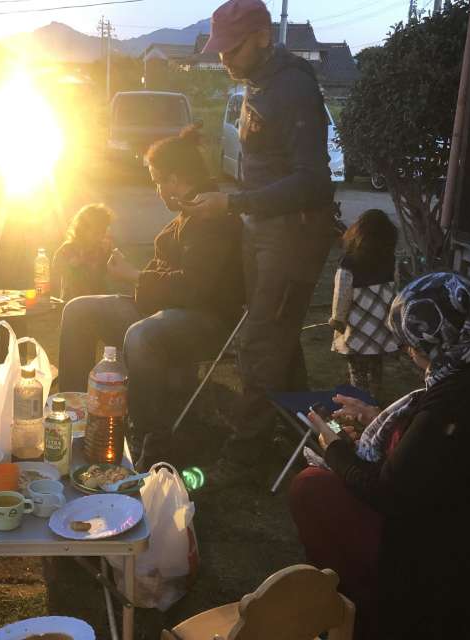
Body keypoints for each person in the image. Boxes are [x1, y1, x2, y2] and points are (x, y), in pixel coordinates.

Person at [288, 272, 470, 639]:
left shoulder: (459, 396)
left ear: (437, 338)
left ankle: (356, 613)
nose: (411, 353)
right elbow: (459, 451)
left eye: (413, 344)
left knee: (312, 487)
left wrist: (334, 448)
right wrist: (380, 420)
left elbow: (388, 492)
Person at [184, 0, 337, 484]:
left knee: (260, 343)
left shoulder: (293, 87)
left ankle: (245, 455)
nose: (224, 58)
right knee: (277, 336)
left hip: (292, 236)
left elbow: (314, 181)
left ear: (264, 37)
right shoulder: (258, 83)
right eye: (220, 49)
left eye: (232, 47)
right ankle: (305, 433)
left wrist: (234, 204)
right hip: (263, 230)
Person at [58, 125, 244, 469]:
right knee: (79, 309)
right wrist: (133, 279)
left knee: (141, 334)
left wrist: (134, 275)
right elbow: (170, 280)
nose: (157, 189)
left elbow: (194, 287)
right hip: (165, 309)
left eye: (158, 181)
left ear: (175, 179)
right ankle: (74, 412)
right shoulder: (189, 212)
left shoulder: (211, 216)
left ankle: (152, 440)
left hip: (206, 321)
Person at [329, 209, 399, 402]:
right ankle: (376, 400)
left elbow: (341, 295)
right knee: (376, 368)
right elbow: (395, 292)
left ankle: (359, 405)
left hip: (357, 330)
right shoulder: (389, 261)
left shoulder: (348, 263)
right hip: (380, 328)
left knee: (357, 371)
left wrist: (337, 319)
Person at [51, 203, 115, 301]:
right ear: (82, 229)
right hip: (72, 303)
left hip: (99, 301)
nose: (101, 236)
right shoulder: (68, 249)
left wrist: (111, 256)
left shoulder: (102, 249)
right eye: (97, 232)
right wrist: (75, 264)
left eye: (104, 231)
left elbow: (115, 272)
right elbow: (56, 268)